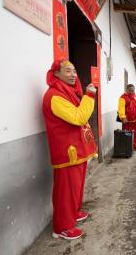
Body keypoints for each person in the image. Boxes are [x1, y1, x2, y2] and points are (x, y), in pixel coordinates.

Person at [42, 59, 98, 240]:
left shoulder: (67, 94)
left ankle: (72, 214)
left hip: (76, 149)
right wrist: (89, 97)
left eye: (74, 71)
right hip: (67, 152)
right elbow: (78, 117)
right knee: (66, 191)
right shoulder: (54, 96)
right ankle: (62, 228)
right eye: (68, 71)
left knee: (75, 187)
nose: (73, 74)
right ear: (56, 73)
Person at [118, 84, 136, 151]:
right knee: (127, 134)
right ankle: (127, 148)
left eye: (132, 90)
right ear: (127, 90)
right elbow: (121, 108)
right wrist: (123, 117)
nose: (131, 92)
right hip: (127, 121)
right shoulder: (122, 98)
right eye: (130, 90)